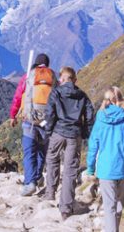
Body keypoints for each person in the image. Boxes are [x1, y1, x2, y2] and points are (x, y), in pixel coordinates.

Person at [43, 66, 95, 220]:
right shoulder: (82, 95)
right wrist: (85, 132)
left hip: (57, 132)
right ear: (74, 79)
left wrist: (48, 131)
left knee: (52, 159)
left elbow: (50, 113)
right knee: (70, 170)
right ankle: (65, 208)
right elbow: (90, 116)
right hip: (74, 135)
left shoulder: (56, 92)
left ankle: (50, 192)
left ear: (62, 79)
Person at [86, 87, 124, 232]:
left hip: (105, 169)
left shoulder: (100, 119)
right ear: (120, 101)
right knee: (120, 205)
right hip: (123, 167)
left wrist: (90, 167)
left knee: (109, 206)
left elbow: (92, 146)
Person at [9, 53, 57, 196]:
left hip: (29, 119)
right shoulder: (52, 77)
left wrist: (13, 115)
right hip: (46, 121)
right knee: (42, 150)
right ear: (47, 65)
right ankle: (37, 177)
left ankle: (30, 183)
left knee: (29, 152)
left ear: (36, 63)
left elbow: (18, 97)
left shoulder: (28, 76)